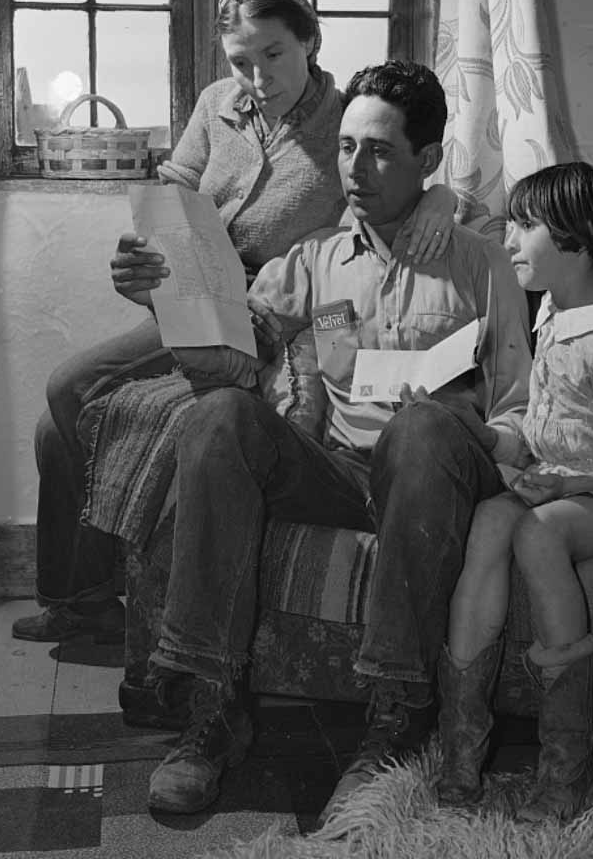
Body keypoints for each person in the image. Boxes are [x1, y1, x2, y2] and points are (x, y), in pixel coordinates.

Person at [118, 60, 533, 817]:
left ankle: (395, 717)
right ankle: (213, 708)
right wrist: (162, 296)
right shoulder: (313, 261)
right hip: (344, 476)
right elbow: (227, 357)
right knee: (216, 416)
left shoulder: (480, 262)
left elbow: (519, 404)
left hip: (440, 481)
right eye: (344, 148)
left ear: (426, 160)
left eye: (376, 150)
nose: (354, 168)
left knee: (420, 428)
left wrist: (469, 427)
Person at [12, 0, 458, 643]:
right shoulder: (217, 103)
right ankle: (82, 601)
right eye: (240, 62)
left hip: (299, 312)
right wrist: (143, 255)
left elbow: (407, 176)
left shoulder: (347, 121)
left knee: (78, 401)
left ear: (309, 41)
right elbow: (176, 188)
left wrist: (441, 201)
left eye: (273, 54)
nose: (257, 76)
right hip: (197, 293)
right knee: (62, 404)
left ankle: (133, 609)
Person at [436, 162, 593, 821]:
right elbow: (545, 424)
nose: (509, 238)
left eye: (525, 226)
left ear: (577, 237)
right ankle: (460, 747)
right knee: (489, 520)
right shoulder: (550, 312)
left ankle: (566, 767)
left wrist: (572, 484)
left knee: (537, 533)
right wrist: (484, 437)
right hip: (561, 480)